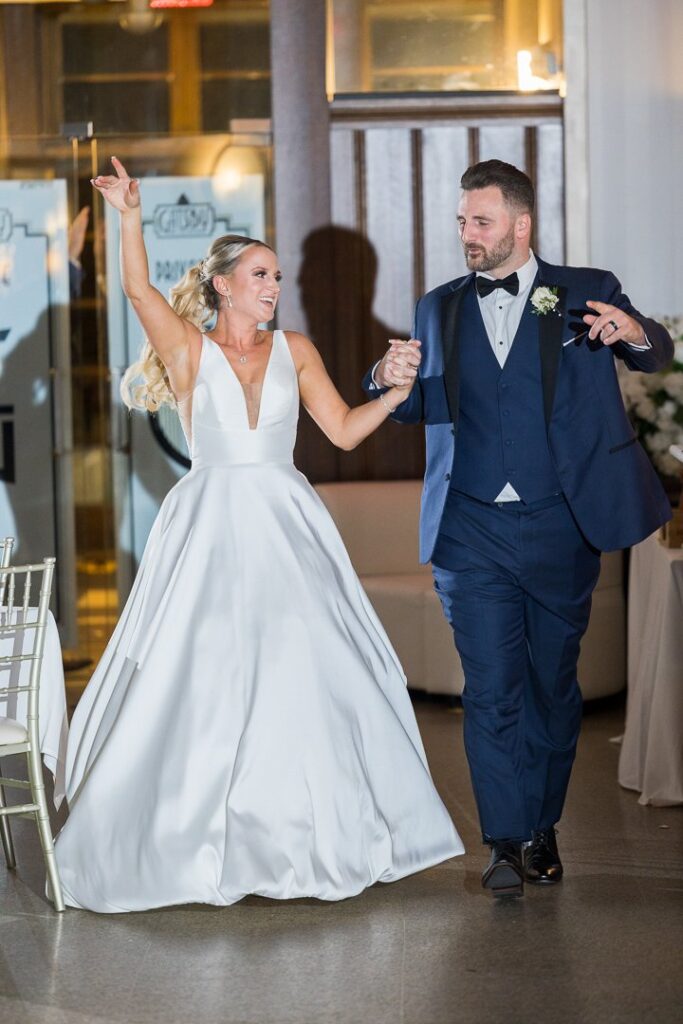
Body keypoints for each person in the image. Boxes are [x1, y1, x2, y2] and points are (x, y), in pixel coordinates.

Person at [54, 157, 463, 912]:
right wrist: (130, 218)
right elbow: (139, 291)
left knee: (307, 665)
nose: (273, 287)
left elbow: (340, 432)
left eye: (277, 276)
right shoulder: (186, 348)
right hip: (209, 522)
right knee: (200, 670)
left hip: (285, 519)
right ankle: (187, 832)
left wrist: (398, 394)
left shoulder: (296, 350)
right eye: (260, 275)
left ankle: (309, 831)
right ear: (222, 286)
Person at [364, 159, 673, 899]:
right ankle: (504, 841)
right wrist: (386, 377)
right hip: (469, 528)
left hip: (560, 522)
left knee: (550, 686)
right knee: (492, 689)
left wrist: (631, 331)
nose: (467, 235)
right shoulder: (437, 306)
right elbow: (421, 405)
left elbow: (652, 351)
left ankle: (542, 827)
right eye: (462, 222)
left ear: (520, 224)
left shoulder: (582, 292)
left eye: (481, 222)